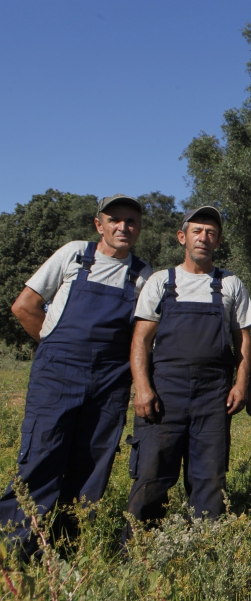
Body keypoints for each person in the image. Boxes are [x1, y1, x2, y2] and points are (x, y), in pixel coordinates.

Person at [0, 195, 151, 550]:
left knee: (92, 465)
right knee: (41, 456)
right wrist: (54, 346)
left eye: (130, 221)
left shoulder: (143, 276)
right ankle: (14, 550)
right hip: (57, 375)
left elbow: (143, 335)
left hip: (110, 382)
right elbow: (25, 306)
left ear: (139, 228)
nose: (123, 227)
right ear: (99, 225)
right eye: (114, 220)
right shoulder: (75, 255)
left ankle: (67, 551)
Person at [124, 206, 251, 535]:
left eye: (211, 233)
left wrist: (241, 385)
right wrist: (142, 388)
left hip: (213, 396)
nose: (203, 237)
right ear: (182, 237)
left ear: (219, 241)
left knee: (209, 477)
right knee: (152, 473)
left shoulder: (230, 284)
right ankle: (138, 546)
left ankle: (204, 545)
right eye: (197, 231)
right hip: (164, 394)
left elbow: (243, 340)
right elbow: (141, 340)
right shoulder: (161, 282)